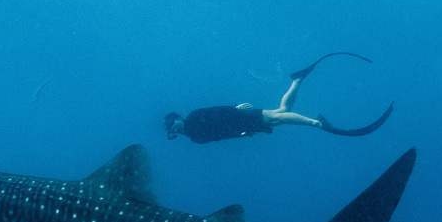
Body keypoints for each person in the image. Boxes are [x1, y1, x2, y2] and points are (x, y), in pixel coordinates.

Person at [164, 52, 393, 144]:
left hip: (239, 116)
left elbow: (216, 111)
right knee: (281, 110)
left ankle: (317, 124)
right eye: (172, 131)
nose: (174, 130)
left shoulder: (194, 118)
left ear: (178, 118)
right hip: (241, 126)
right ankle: (297, 79)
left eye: (173, 125)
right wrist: (242, 134)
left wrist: (236, 108)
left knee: (278, 117)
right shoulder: (195, 138)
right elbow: (221, 136)